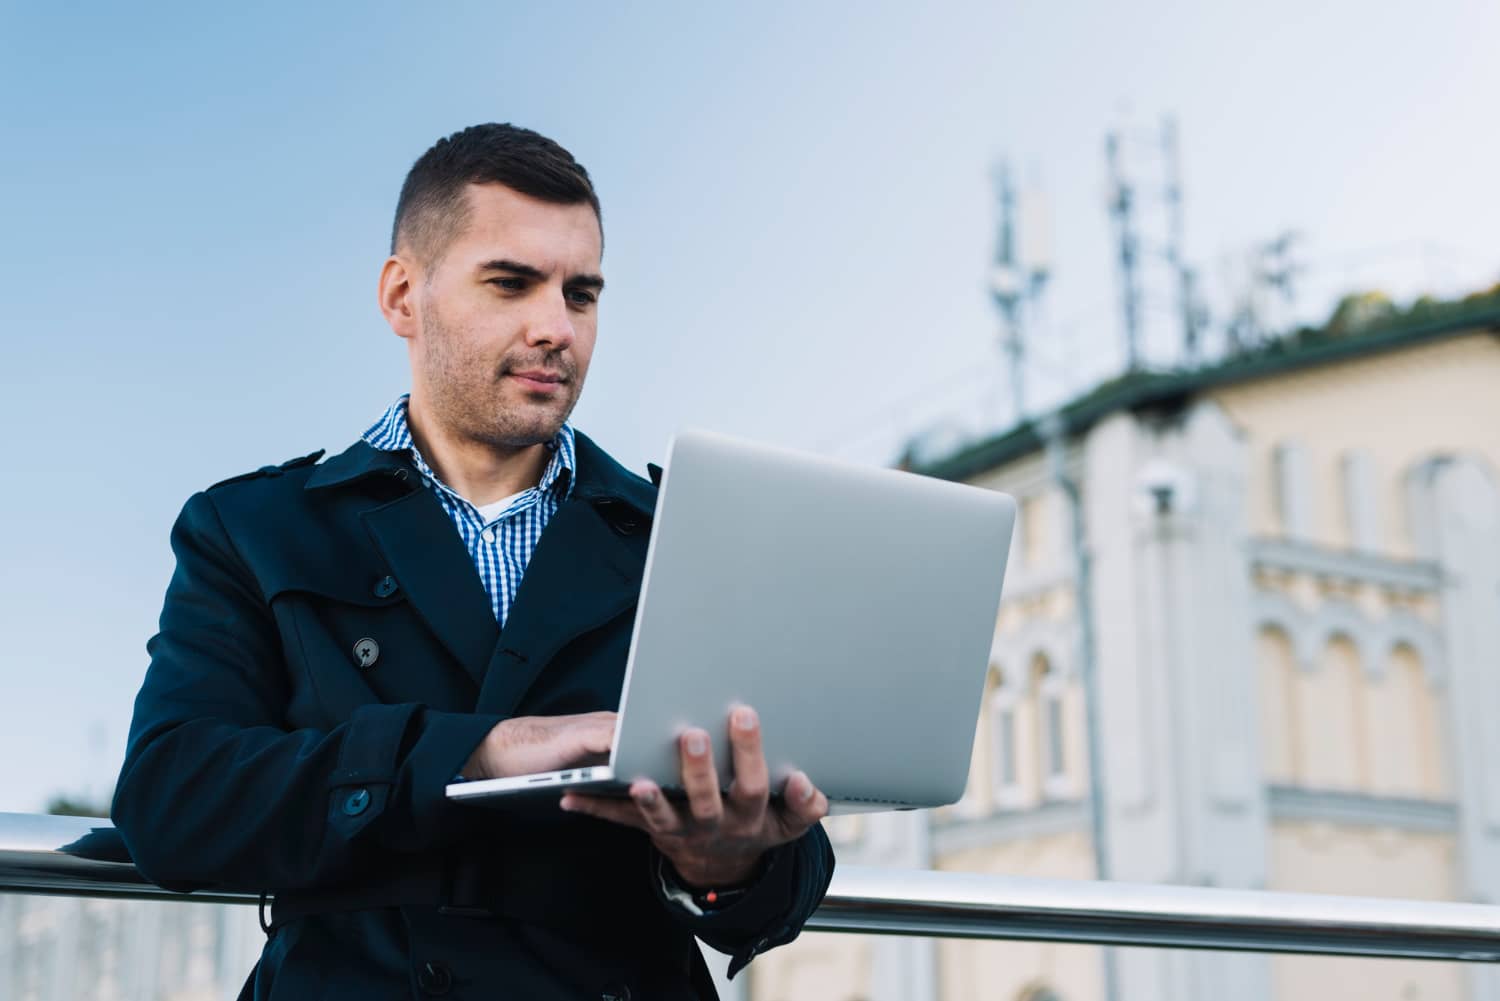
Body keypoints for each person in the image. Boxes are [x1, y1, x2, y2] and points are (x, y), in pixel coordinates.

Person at [112, 123, 835, 1001]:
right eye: (512, 283)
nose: (555, 326)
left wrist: (730, 864)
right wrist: (481, 753)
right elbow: (173, 799)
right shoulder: (254, 528)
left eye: (582, 292)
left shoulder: (687, 535)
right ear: (402, 295)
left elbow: (789, 868)